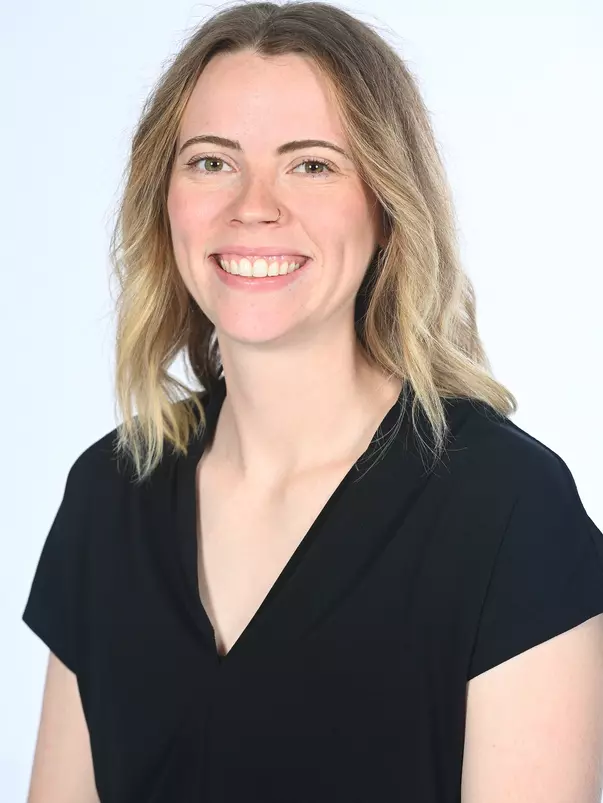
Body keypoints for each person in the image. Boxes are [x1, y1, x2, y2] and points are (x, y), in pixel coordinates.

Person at [22, 2, 603, 802]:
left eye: (311, 164)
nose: (253, 206)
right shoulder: (108, 493)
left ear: (387, 209)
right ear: (166, 200)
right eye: (211, 162)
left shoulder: (508, 512)